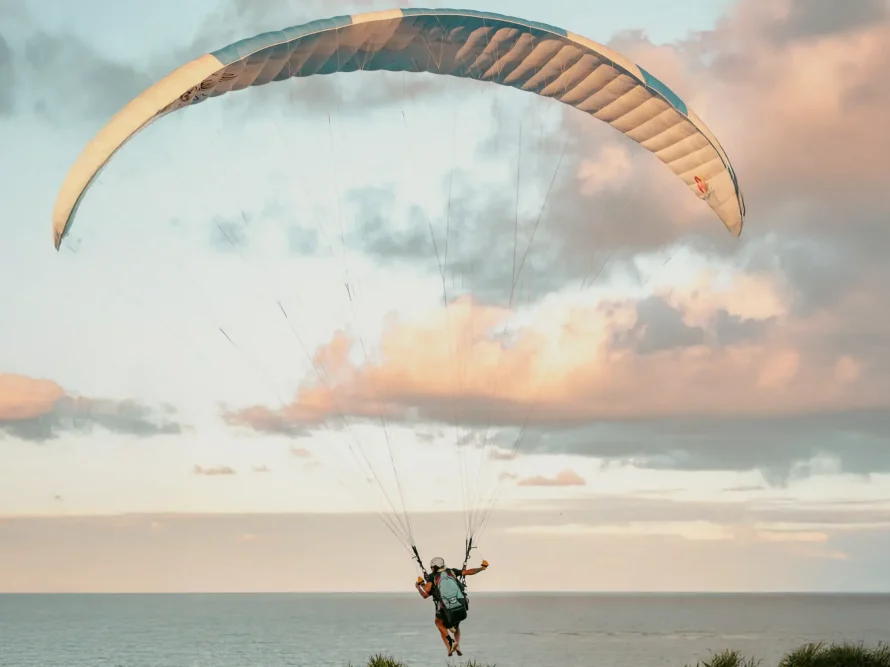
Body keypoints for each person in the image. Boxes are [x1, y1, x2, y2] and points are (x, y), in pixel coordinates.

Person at [415, 556, 488, 656]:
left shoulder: (433, 577)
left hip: (446, 608)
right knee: (456, 625)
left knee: (439, 623)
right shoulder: (452, 572)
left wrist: (419, 586)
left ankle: (451, 643)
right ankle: (457, 645)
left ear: (434, 567)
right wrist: (482, 568)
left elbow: (426, 592)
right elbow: (469, 572)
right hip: (460, 605)